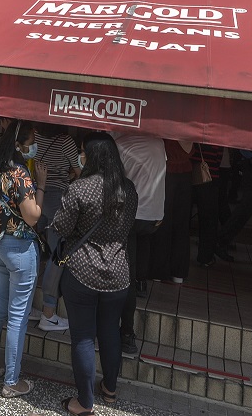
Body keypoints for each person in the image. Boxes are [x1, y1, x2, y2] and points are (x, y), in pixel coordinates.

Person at [52, 133, 138, 416]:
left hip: (81, 273)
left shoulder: (79, 188)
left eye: (83, 153)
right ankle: (110, 390)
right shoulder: (128, 189)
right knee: (110, 332)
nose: (82, 157)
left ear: (91, 156)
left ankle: (84, 403)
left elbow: (62, 228)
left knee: (84, 338)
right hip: (119, 275)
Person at [0, 120, 45, 399]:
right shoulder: (20, 174)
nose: (34, 146)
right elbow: (33, 216)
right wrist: (42, 186)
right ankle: (12, 381)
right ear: (20, 144)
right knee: (17, 316)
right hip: (20, 248)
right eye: (32, 140)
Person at [112, 132, 166, 356]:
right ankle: (142, 282)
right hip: (154, 213)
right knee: (142, 249)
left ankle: (126, 333)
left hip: (129, 214)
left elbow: (114, 179)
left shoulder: (121, 144)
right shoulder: (159, 141)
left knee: (127, 273)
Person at [31, 123, 81, 333]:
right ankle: (48, 312)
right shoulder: (65, 141)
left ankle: (25, 306)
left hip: (35, 195)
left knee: (31, 249)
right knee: (56, 255)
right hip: (57, 200)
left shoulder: (34, 135)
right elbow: (81, 171)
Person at [150, 139, 194, 284]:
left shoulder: (167, 127)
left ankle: (158, 270)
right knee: (181, 224)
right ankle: (178, 273)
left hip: (164, 173)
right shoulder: (190, 126)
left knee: (162, 220)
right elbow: (189, 149)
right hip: (185, 175)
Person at [191, 144, 225, 267]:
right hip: (210, 176)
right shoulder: (217, 134)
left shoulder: (193, 130)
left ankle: (179, 257)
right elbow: (218, 159)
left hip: (189, 173)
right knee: (208, 220)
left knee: (183, 219)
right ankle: (205, 257)